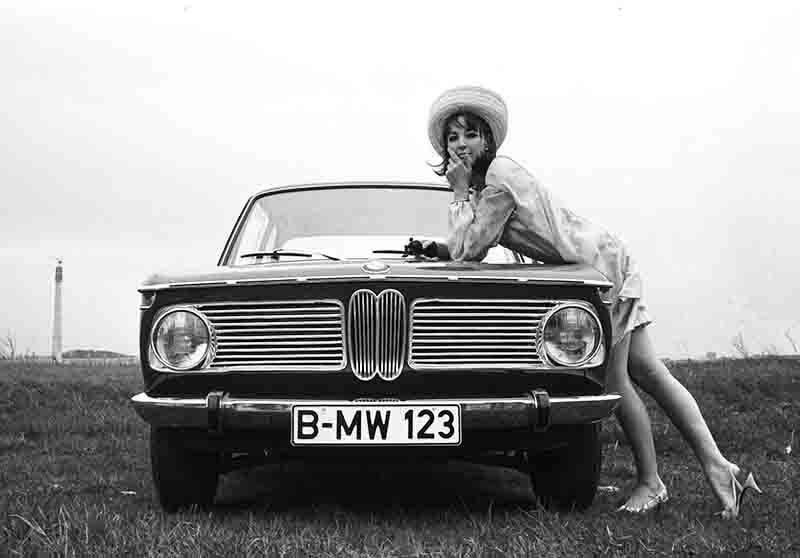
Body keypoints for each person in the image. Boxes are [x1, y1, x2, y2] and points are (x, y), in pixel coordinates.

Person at [425, 85, 761, 517]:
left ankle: (651, 483)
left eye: (471, 134)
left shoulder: (497, 180)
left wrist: (456, 194)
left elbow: (470, 250)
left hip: (596, 276)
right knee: (650, 373)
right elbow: (467, 243)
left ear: (488, 139)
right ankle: (722, 470)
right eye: (452, 138)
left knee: (615, 382)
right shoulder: (488, 185)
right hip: (603, 260)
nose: (461, 144)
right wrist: (436, 248)